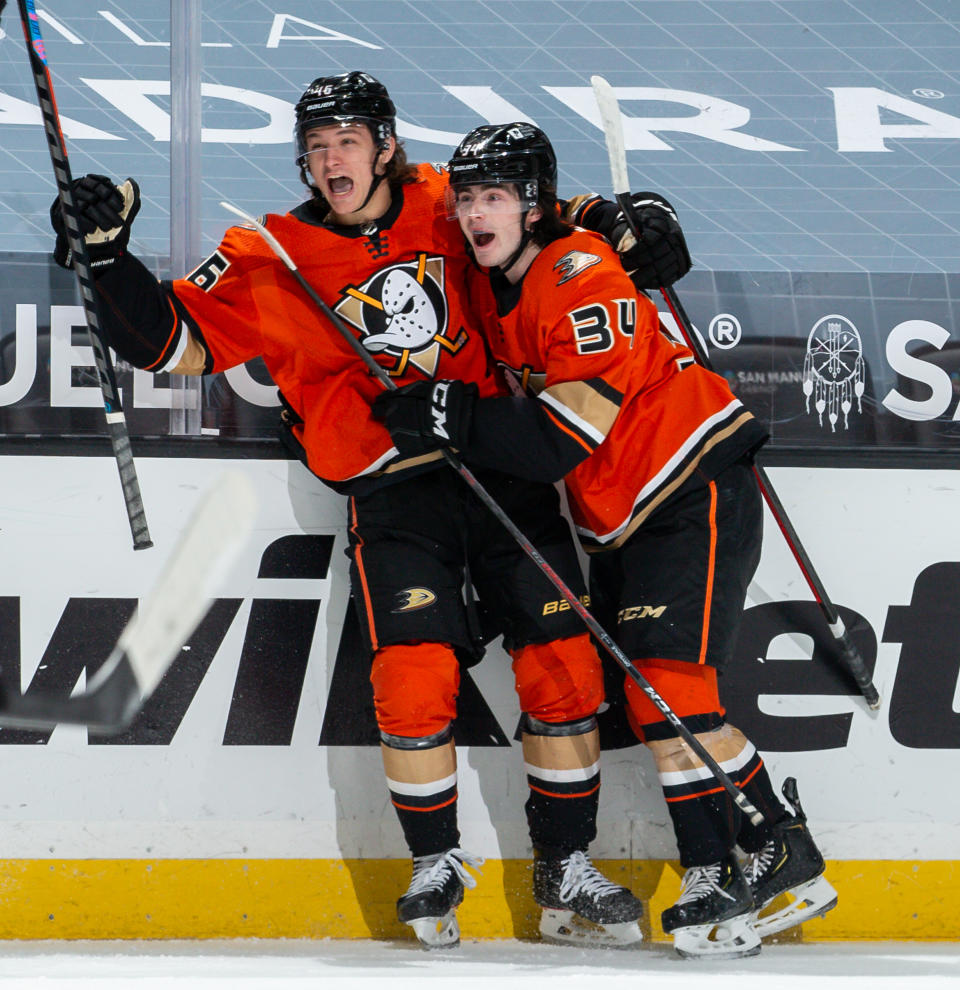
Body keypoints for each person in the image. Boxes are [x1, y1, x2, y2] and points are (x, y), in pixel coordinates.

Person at [48, 74, 658, 949]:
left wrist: (634, 223)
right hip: (392, 491)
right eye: (316, 143)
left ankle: (565, 868)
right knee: (412, 676)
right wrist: (107, 258)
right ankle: (433, 860)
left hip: (500, 465)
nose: (331, 157)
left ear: (385, 144)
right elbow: (173, 343)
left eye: (348, 139)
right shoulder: (271, 252)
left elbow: (546, 214)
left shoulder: (449, 203)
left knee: (563, 665)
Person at [372, 121, 839, 959]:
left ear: (534, 203)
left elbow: (559, 434)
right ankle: (736, 863)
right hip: (626, 511)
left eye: (496, 197)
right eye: (470, 198)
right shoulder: (504, 268)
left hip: (689, 485)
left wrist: (447, 414)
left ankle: (768, 849)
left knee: (668, 684)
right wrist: (612, 207)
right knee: (656, 696)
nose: (476, 213)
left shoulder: (579, 274)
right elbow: (427, 196)